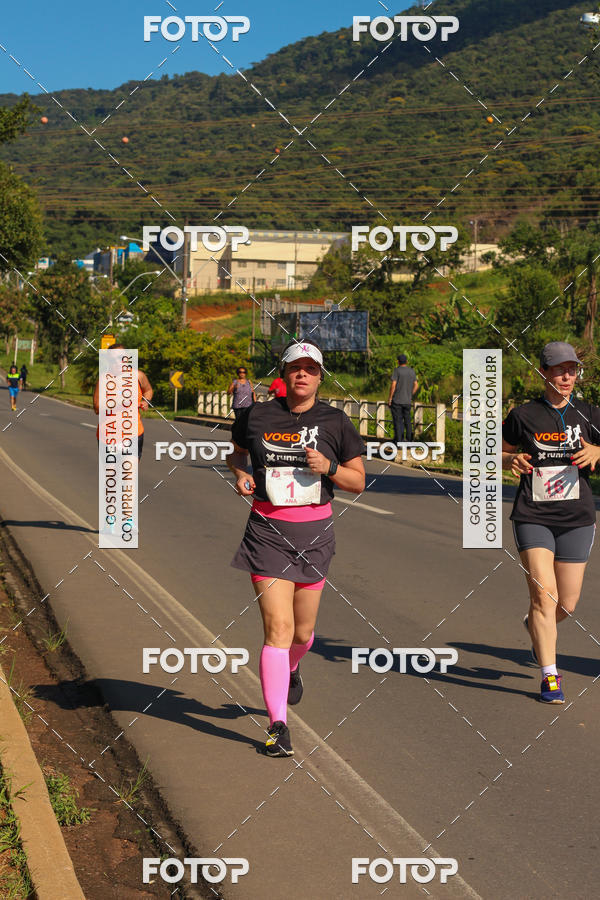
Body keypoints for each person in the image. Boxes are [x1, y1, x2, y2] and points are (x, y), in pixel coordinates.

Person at [228, 339, 365, 756]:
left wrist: (330, 467)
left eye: (310, 368)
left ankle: (291, 666)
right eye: (295, 367)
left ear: (320, 377)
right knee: (279, 630)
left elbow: (358, 481)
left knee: (302, 634)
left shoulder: (335, 421)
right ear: (284, 375)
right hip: (267, 533)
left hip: (315, 536)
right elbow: (237, 455)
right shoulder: (256, 416)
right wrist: (240, 474)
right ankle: (278, 726)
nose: (302, 374)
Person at [502, 342, 600, 704]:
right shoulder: (523, 415)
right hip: (533, 515)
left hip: (577, 518)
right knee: (544, 596)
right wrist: (509, 460)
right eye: (559, 370)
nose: (567, 377)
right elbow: (492, 451)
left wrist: (598, 450)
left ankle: (535, 625)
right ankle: (550, 677)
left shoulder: (589, 414)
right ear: (543, 372)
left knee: (566, 605)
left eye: (572, 370)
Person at [93, 344, 153, 459]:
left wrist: (146, 401)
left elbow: (148, 390)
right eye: (113, 360)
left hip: (134, 434)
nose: (118, 362)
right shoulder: (104, 379)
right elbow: (97, 408)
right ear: (108, 361)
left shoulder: (138, 376)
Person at [388, 354, 418, 442]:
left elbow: (393, 385)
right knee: (407, 420)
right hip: (407, 401)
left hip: (397, 401)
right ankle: (409, 440)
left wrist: (390, 398)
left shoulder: (397, 371)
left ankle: (399, 440)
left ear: (398, 362)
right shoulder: (412, 371)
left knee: (398, 421)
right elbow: (416, 385)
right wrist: (410, 394)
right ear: (407, 361)